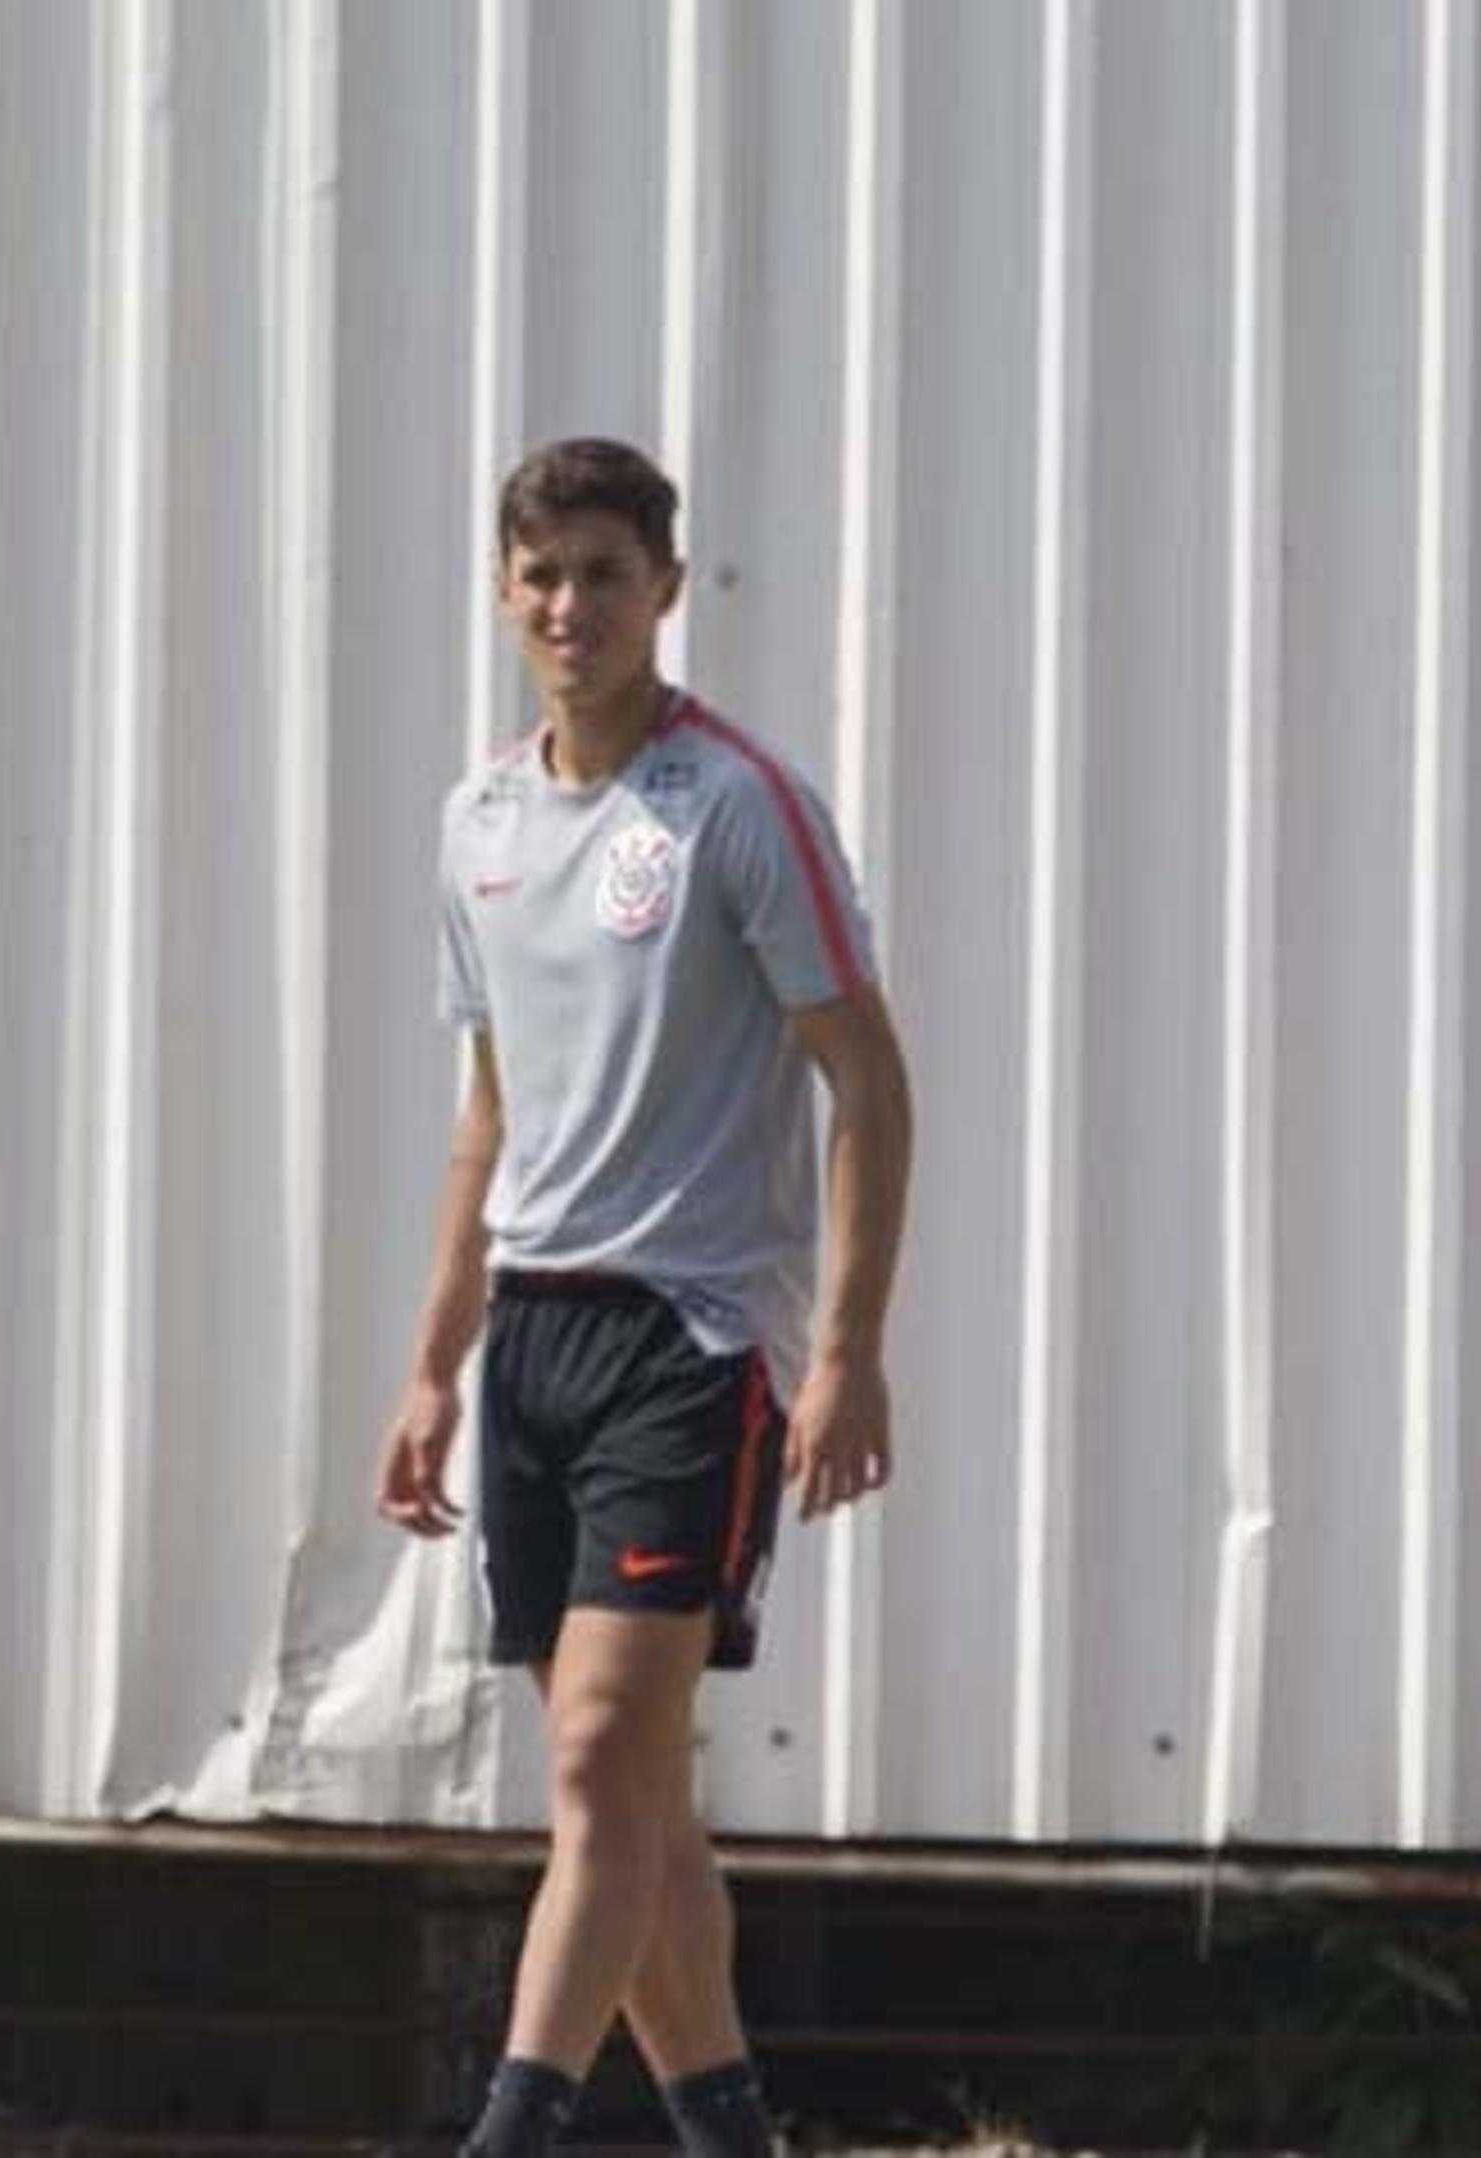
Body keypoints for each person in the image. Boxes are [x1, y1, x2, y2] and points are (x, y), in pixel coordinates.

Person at [376, 438, 913, 2158]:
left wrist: (843, 1350)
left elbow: (868, 1079)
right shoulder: (480, 819)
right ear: (501, 590)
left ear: (665, 588)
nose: (570, 605)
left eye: (606, 571)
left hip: (690, 1344)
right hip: (537, 1334)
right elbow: (491, 1113)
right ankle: (729, 2134)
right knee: (638, 1799)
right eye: (540, 573)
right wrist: (434, 1360)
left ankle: (513, 2128)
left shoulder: (737, 806)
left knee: (604, 1753)